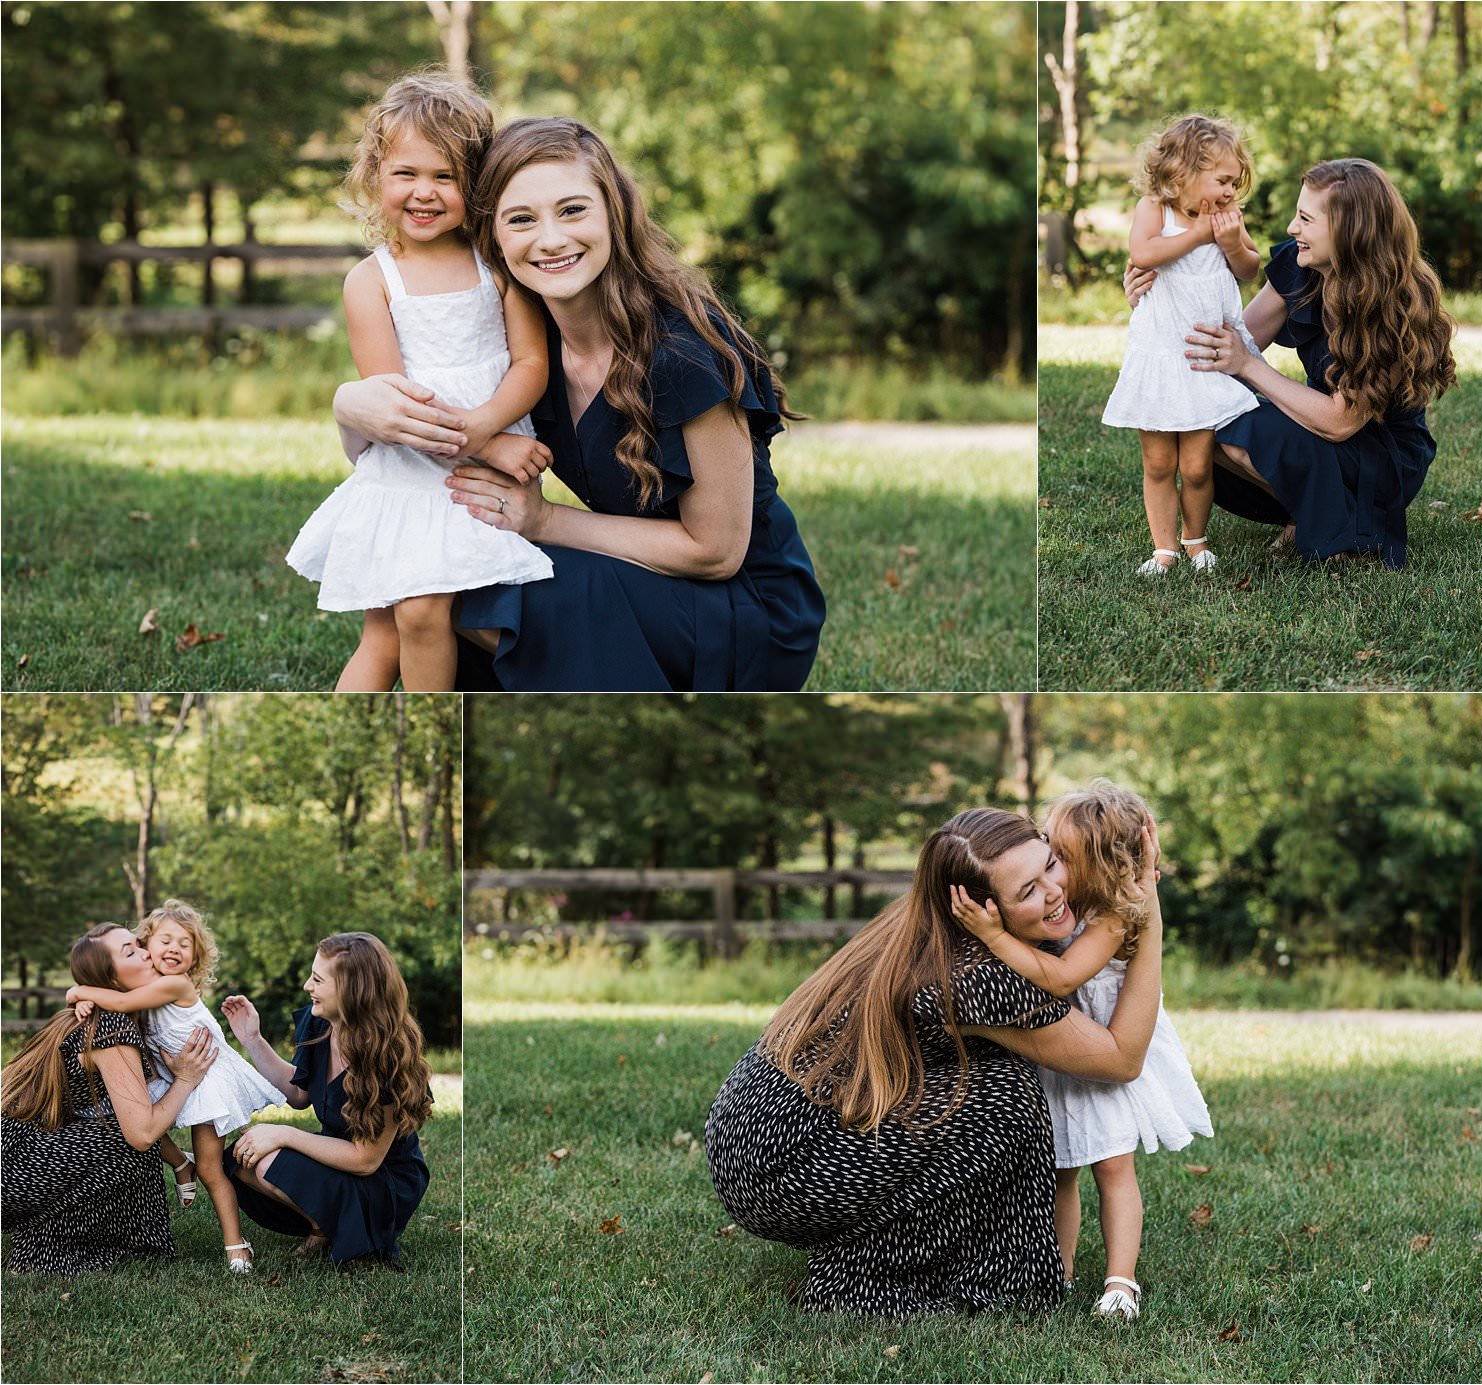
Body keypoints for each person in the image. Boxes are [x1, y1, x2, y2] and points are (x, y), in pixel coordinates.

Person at [331, 116, 825, 691]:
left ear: (614, 213)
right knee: (435, 580)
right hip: (639, 572)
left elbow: (717, 551)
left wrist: (542, 520)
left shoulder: (682, 352)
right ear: (493, 235)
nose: (551, 240)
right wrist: (349, 406)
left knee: (474, 592)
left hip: (743, 611)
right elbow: (400, 457)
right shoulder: (529, 348)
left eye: (572, 210)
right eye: (521, 219)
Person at [703, 808, 1165, 1316]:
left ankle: (921, 1253)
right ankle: (858, 1280)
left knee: (991, 1083)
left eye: (1052, 863)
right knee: (1006, 1097)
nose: (1055, 891)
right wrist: (1147, 912)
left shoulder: (924, 920)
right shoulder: (980, 972)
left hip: (750, 1138)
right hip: (783, 1170)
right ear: (981, 908)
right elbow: (1120, 1059)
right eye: (1027, 891)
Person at [286, 73, 553, 692]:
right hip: (409, 475)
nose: (424, 193)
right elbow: (396, 409)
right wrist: (490, 445)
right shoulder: (372, 281)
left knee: (422, 613)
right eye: (406, 173)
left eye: (446, 176)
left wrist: (487, 427)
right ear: (375, 175)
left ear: (477, 184)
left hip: (468, 480)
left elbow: (531, 365)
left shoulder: (498, 266)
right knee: (396, 625)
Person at [952, 781, 1211, 1321]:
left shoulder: (1116, 913)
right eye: (1049, 850)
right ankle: (1060, 1272)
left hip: (1101, 1050)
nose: (1051, 875)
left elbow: (1066, 977)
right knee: (1059, 1170)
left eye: (1060, 858)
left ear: (1098, 865)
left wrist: (998, 938)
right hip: (1060, 1053)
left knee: (1113, 1168)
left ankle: (1121, 1281)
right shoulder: (1065, 905)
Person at [1129, 157, 1456, 568]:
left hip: (1380, 454)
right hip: (1318, 423)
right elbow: (1223, 341)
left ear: (1350, 228)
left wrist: (1248, 366)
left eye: (1305, 218)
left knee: (1242, 427)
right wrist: (1153, 297)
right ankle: (1304, 514)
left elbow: (1341, 422)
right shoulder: (1301, 266)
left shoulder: (1396, 302)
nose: (1291, 229)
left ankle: (1347, 524)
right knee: (1199, 414)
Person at [65, 900, 284, 1273]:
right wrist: (88, 998)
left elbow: (119, 999)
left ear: (195, 957)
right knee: (131, 1114)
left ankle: (235, 1243)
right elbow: (118, 999)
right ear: (147, 944)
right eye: (165, 940)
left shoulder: (174, 985)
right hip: (175, 1073)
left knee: (213, 1169)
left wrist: (77, 993)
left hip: (207, 1077)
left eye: (185, 945)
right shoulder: (147, 986)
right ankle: (182, 1165)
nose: (174, 949)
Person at [1, 924, 217, 1274]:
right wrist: (187, 1078)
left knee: (121, 1127)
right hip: (12, 1170)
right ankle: (48, 1247)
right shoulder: (110, 1027)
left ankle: (98, 1235)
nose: (148, 953)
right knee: (128, 1140)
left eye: (141, 945)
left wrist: (178, 1162)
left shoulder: (104, 1014)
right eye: (131, 952)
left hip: (13, 1160)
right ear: (112, 982)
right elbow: (142, 1133)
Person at [1102, 115, 1263, 576]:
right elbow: (1143, 253)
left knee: (1195, 466)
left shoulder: (1229, 219)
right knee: (1157, 462)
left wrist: (1231, 243)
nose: (1231, 191)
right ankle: (1164, 549)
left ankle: (1197, 542)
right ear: (1183, 172)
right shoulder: (1156, 207)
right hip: (1158, 356)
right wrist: (1198, 234)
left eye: (1235, 181)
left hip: (1201, 360)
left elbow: (1250, 269)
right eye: (1223, 180)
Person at [219, 932, 433, 1268]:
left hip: (381, 1180)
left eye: (318, 979)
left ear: (352, 989)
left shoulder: (388, 1057)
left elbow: (366, 1159)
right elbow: (300, 1095)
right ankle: (322, 1224)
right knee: (239, 1159)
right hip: (335, 1154)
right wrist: (252, 1039)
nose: (307, 985)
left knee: (265, 1159)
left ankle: (339, 1226)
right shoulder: (319, 1023)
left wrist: (284, 1134)